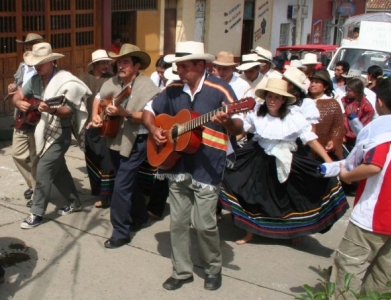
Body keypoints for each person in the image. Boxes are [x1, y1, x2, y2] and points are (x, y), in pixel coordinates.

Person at [143, 41, 243, 291]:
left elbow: (240, 123)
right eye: (177, 66)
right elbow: (148, 109)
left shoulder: (220, 89)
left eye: (184, 66)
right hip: (177, 165)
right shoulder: (173, 88)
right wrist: (154, 128)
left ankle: (212, 268)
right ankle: (182, 271)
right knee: (177, 222)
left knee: (204, 223)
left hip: (208, 165)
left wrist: (228, 123)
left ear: (201, 65)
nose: (179, 71)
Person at [219, 78, 348, 245]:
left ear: (284, 100)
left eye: (277, 97)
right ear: (265, 97)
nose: (273, 101)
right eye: (270, 96)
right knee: (252, 195)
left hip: (285, 159)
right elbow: (243, 130)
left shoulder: (294, 116)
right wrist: (228, 142)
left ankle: (293, 232)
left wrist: (328, 160)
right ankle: (249, 232)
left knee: (289, 198)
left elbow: (310, 139)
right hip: (258, 158)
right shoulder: (257, 112)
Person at [331, 77, 391, 298]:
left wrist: (347, 175)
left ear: (380, 101)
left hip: (372, 215)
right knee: (384, 274)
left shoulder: (381, 130)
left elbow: (373, 166)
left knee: (348, 270)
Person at [91, 44, 160, 249]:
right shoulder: (113, 82)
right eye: (119, 62)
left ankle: (120, 232)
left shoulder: (147, 86)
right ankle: (140, 215)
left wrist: (125, 113)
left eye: (126, 62)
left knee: (120, 186)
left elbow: (149, 117)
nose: (120, 66)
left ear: (137, 66)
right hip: (114, 139)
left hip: (137, 141)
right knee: (127, 181)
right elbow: (98, 98)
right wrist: (96, 115)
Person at [16, 42, 91, 229]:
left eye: (40, 62)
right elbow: (19, 94)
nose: (37, 66)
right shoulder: (34, 80)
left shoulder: (66, 81)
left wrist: (52, 110)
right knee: (58, 171)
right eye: (35, 63)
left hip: (60, 133)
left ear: (51, 62)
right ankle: (75, 202)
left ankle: (36, 213)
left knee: (42, 170)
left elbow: (69, 111)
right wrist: (19, 103)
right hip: (41, 130)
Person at [9, 33, 44, 205]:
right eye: (26, 45)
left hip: (36, 117)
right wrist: (13, 88)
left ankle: (37, 192)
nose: (28, 48)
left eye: (32, 45)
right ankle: (35, 184)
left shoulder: (45, 68)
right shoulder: (23, 66)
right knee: (17, 154)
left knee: (35, 156)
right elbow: (17, 87)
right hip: (21, 116)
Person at [80, 49, 114, 208]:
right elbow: (77, 101)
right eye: (103, 62)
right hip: (88, 125)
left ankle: (105, 196)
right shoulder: (84, 79)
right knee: (92, 158)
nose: (106, 65)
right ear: (95, 64)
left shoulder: (113, 79)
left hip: (107, 125)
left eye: (107, 62)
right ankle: (97, 190)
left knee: (106, 160)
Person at [307, 70, 344, 160]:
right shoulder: (304, 101)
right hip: (305, 147)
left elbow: (338, 126)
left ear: (325, 86)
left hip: (324, 148)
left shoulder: (332, 103)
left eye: (317, 82)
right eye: (312, 82)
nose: (313, 84)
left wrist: (333, 141)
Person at [342, 78, 375, 152]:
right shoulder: (344, 100)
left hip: (356, 140)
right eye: (346, 90)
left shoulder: (367, 108)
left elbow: (361, 128)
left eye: (349, 91)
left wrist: (347, 136)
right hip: (341, 136)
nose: (347, 92)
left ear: (357, 91)